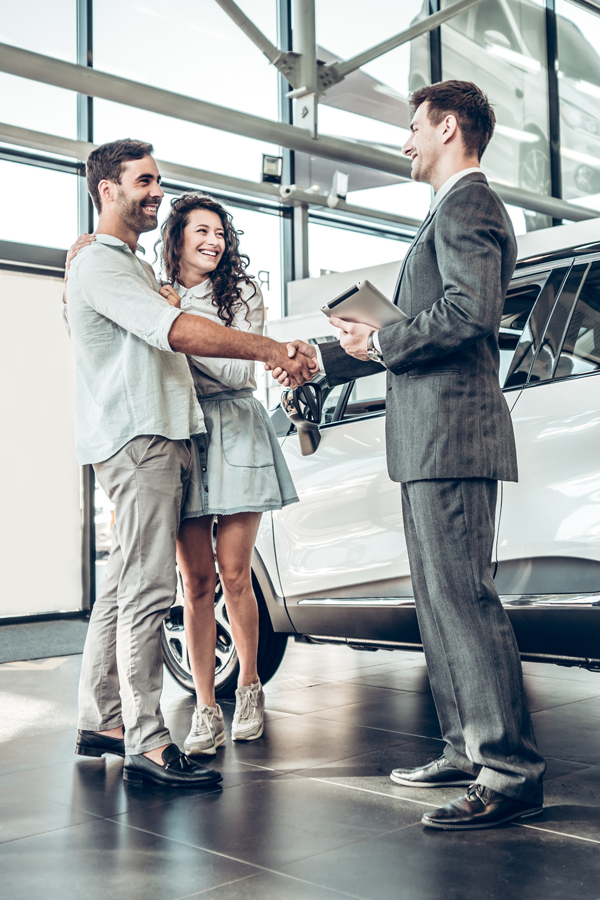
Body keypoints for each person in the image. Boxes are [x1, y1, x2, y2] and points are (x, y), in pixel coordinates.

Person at [274, 80, 546, 830]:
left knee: (464, 600)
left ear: (449, 126)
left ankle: (510, 770)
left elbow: (468, 313)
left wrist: (384, 338)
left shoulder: (470, 205)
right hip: (428, 438)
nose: (405, 142)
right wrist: (331, 355)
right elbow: (417, 324)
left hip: (453, 435)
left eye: (413, 128)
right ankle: (465, 748)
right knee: (439, 604)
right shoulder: (447, 212)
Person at [67, 138, 316, 789]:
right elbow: (171, 332)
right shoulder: (109, 268)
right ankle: (149, 740)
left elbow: (187, 341)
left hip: (176, 435)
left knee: (128, 585)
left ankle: (103, 719)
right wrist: (269, 349)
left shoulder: (121, 267)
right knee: (156, 589)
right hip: (146, 439)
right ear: (107, 190)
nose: (155, 192)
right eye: (143, 181)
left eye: (157, 182)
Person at [156, 192, 298, 755]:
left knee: (236, 574)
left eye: (220, 232)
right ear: (179, 238)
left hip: (237, 428)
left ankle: (249, 687)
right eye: (202, 231)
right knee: (194, 583)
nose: (213, 241)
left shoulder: (241, 292)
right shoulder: (156, 289)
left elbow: (237, 368)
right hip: (184, 432)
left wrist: (180, 324)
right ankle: (207, 707)